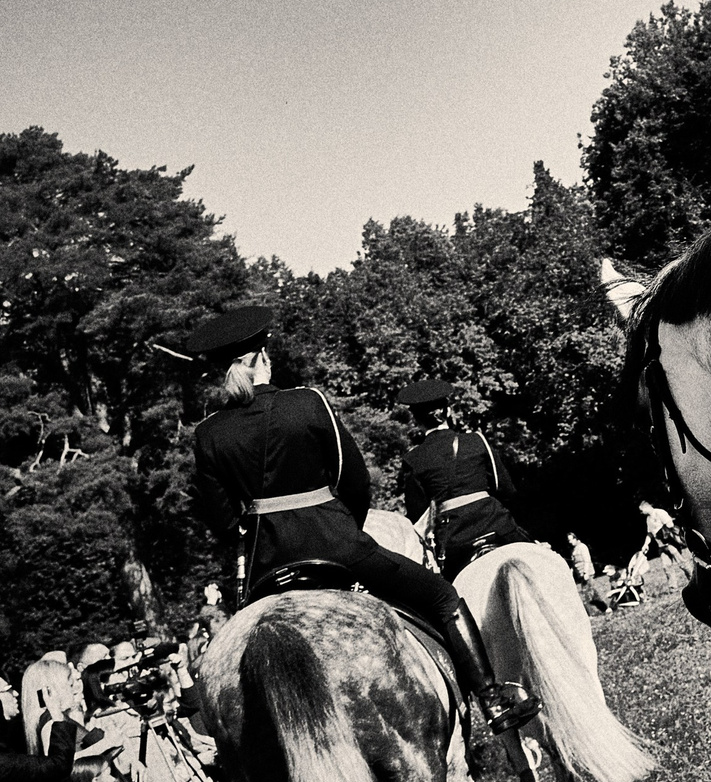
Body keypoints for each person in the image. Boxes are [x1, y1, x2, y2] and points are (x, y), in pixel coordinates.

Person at [181, 307, 537, 744]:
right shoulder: (307, 402)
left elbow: (222, 522)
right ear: (263, 357)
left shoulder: (208, 434)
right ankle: (492, 698)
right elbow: (355, 480)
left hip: (265, 567)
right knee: (443, 598)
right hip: (339, 547)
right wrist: (343, 528)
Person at [393, 380, 533, 579]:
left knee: (446, 600)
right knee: (545, 561)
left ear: (416, 420)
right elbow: (507, 490)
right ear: (448, 411)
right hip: (498, 525)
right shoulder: (477, 441)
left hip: (454, 541)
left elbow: (418, 515)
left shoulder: (413, 459)